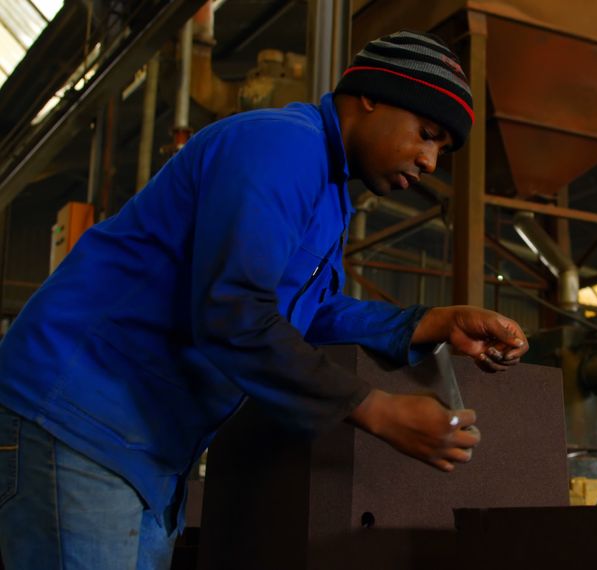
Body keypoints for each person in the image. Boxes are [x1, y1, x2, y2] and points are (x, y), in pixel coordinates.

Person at [0, 30, 527, 569]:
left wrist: (431, 323)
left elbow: (309, 311)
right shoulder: (282, 147)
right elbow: (235, 313)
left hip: (143, 445)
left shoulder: (329, 194)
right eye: (427, 133)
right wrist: (377, 409)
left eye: (439, 147)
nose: (430, 161)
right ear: (372, 96)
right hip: (76, 415)